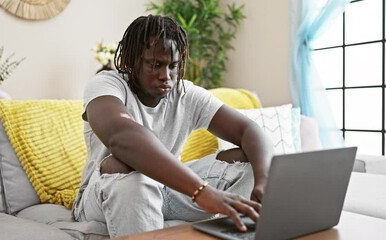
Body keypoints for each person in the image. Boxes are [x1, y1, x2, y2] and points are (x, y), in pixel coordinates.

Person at [72, 14, 274, 238]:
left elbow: (249, 130)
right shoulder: (106, 85)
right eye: (155, 65)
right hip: (104, 193)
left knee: (248, 161)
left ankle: (233, 234)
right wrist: (200, 191)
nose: (165, 76)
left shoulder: (185, 93)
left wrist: (264, 180)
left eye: (173, 66)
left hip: (167, 190)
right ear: (132, 61)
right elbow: (121, 137)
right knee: (124, 165)